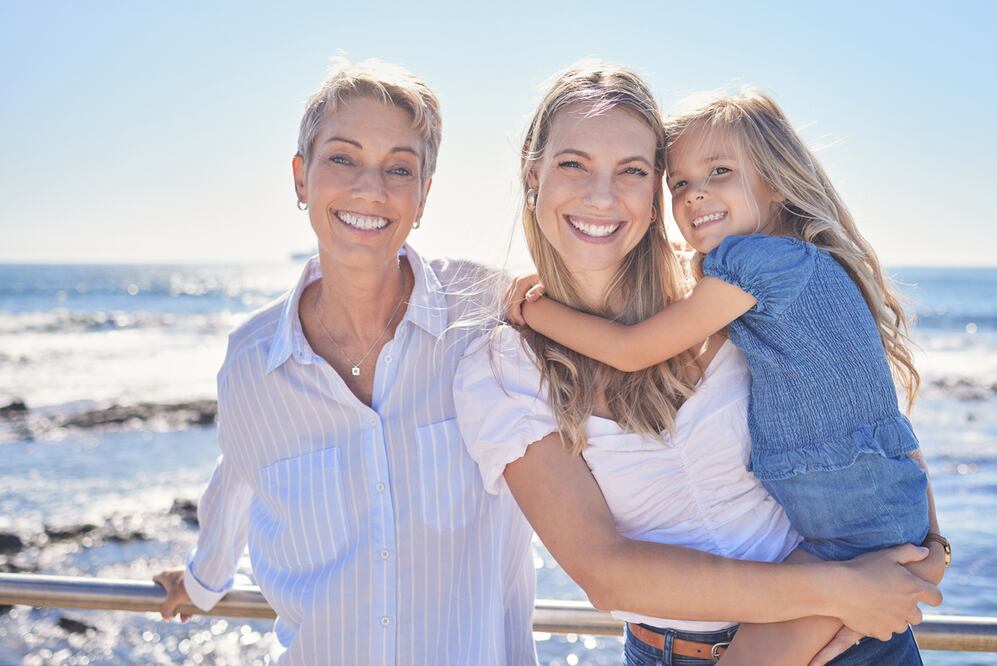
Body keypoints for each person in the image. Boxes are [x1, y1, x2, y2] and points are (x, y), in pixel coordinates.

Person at [457, 61, 943, 666]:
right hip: (765, 625)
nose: (601, 195)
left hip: (856, 637)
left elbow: (863, 403)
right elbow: (607, 574)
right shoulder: (504, 366)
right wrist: (843, 590)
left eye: (632, 171)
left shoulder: (724, 296)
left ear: (652, 190)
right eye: (573, 164)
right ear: (534, 175)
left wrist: (930, 546)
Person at [152, 58, 539, 665]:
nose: (370, 188)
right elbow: (238, 477)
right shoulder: (253, 362)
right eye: (342, 158)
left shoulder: (489, 319)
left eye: (399, 168)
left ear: (423, 195)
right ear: (301, 178)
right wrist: (202, 583)